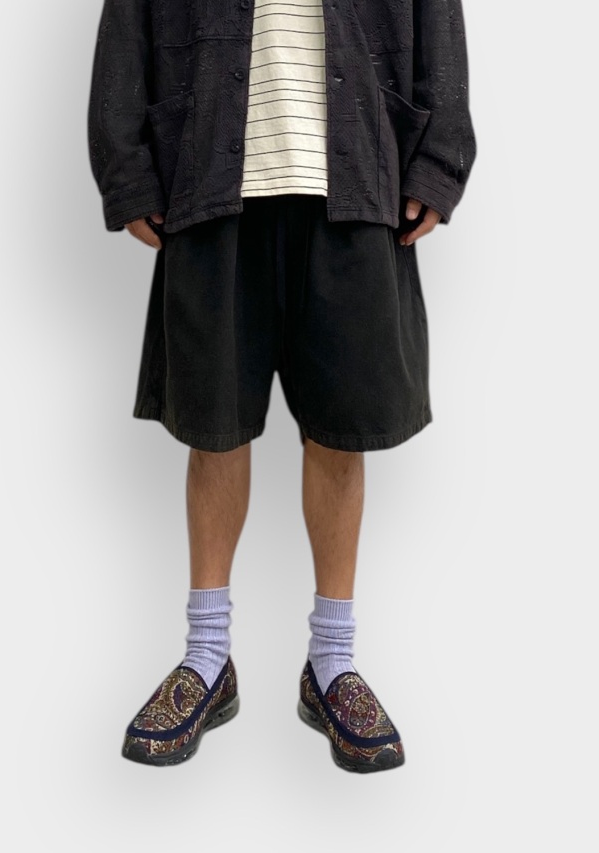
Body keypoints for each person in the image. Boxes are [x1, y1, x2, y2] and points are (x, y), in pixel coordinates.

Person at [87, 0, 476, 773]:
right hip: (208, 171)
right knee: (213, 423)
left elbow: (439, 19)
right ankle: (207, 658)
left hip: (358, 175)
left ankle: (332, 662)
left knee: (342, 426)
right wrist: (126, 171)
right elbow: (126, 23)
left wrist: (439, 161)